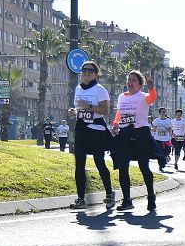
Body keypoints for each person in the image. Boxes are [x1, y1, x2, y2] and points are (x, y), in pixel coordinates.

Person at [68, 61, 115, 210]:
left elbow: (105, 110)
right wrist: (74, 112)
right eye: (84, 70)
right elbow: (79, 108)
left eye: (90, 70)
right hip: (81, 128)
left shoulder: (99, 89)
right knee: (79, 164)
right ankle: (80, 199)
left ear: (96, 73)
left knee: (99, 162)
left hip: (96, 129)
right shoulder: (78, 88)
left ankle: (109, 194)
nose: (87, 73)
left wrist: (87, 106)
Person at [111, 70, 159, 212]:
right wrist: (115, 124)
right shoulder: (121, 97)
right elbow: (119, 112)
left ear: (139, 84)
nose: (130, 82)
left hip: (140, 134)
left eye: (133, 80)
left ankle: (151, 196)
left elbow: (153, 98)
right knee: (122, 167)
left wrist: (151, 88)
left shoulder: (143, 96)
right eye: (129, 79)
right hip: (125, 133)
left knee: (144, 167)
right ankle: (127, 200)